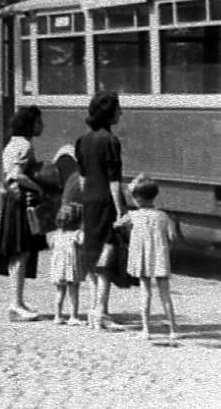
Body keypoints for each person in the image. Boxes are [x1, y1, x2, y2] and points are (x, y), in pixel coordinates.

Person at [74, 90, 127, 329]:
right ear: (109, 113)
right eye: (118, 108)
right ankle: (101, 311)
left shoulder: (82, 141)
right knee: (106, 257)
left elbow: (83, 178)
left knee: (92, 254)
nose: (121, 112)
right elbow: (114, 181)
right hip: (106, 202)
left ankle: (94, 310)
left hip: (89, 202)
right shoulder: (111, 141)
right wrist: (121, 211)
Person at [0, 104, 47, 322]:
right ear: (30, 125)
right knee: (21, 252)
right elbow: (17, 174)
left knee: (17, 254)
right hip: (20, 203)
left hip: (10, 200)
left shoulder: (11, 144)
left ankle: (17, 301)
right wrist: (38, 188)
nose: (41, 126)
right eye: (38, 122)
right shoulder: (25, 145)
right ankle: (16, 304)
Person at [116, 175, 177, 341]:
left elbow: (117, 225)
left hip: (143, 260)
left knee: (145, 293)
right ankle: (173, 329)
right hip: (160, 259)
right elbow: (172, 236)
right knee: (165, 294)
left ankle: (146, 330)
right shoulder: (164, 216)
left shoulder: (133, 216)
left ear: (136, 198)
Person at [47, 202, 84, 325]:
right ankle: (73, 317)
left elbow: (51, 247)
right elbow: (84, 243)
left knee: (59, 292)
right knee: (74, 293)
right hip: (72, 268)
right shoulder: (77, 234)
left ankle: (57, 316)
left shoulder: (55, 235)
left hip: (58, 268)